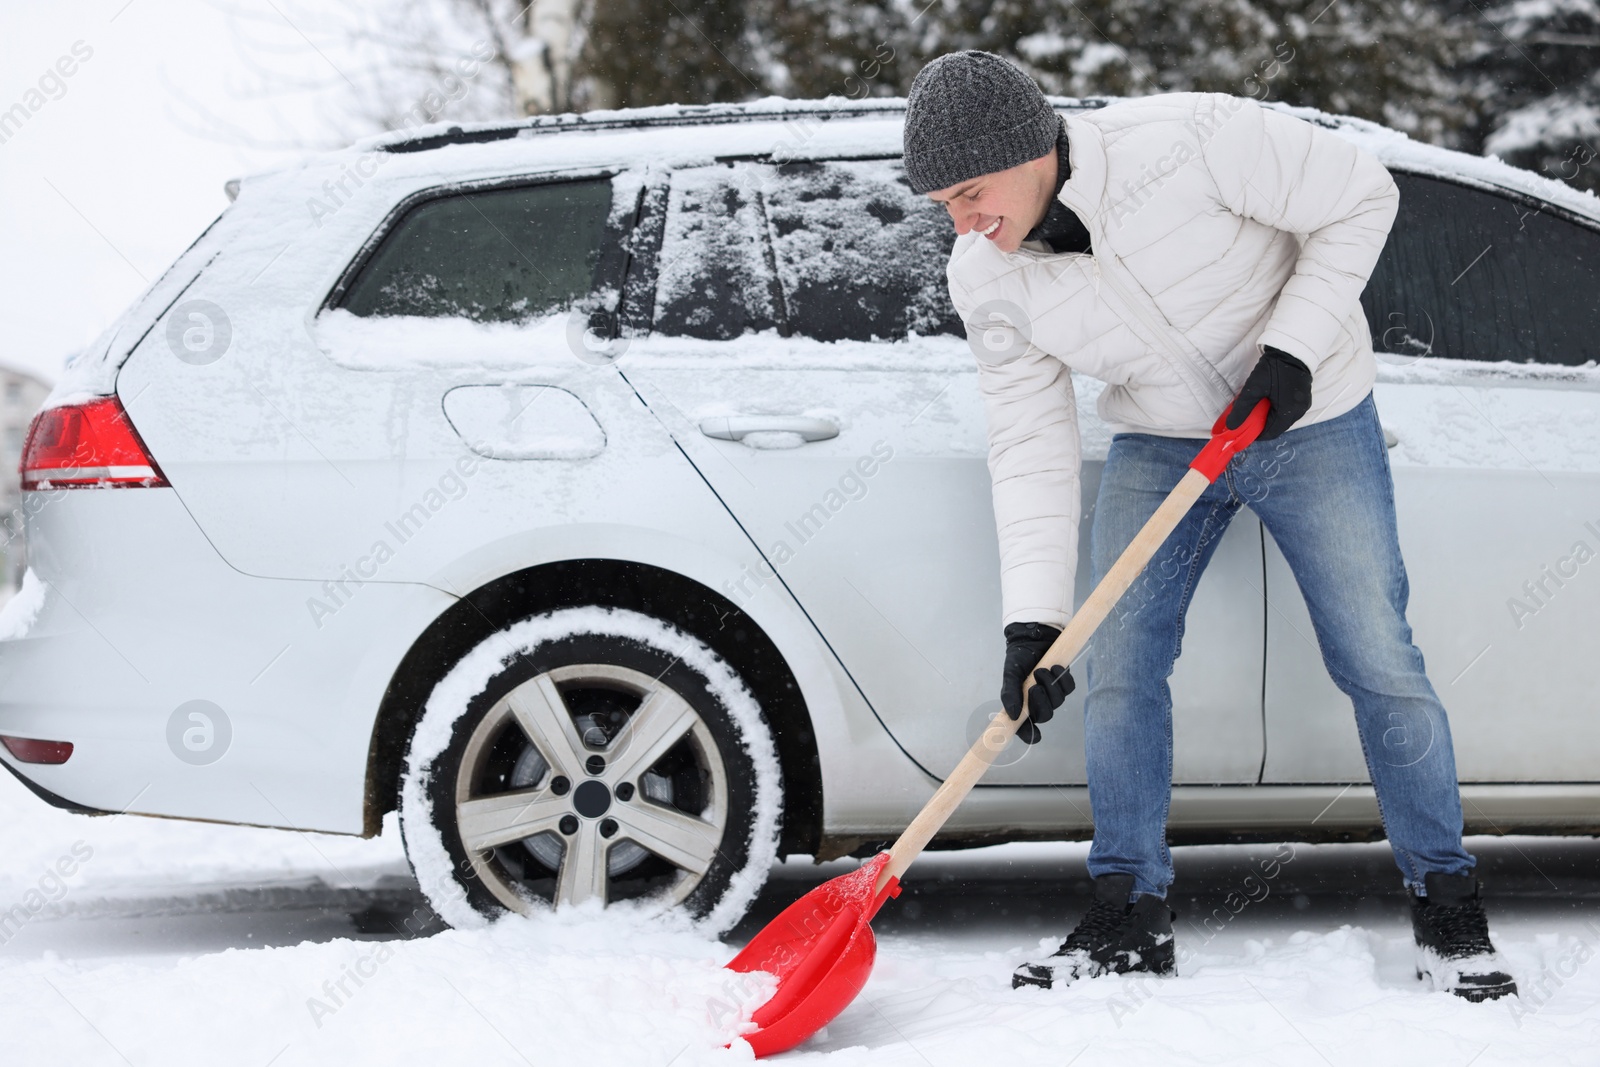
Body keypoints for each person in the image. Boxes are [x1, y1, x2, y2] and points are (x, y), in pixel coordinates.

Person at [901, 50, 1517, 1002]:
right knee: (1119, 666)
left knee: (1376, 654)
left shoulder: (1191, 139)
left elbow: (1362, 194)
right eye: (942, 203)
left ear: (1034, 149)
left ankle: (1447, 901)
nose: (964, 223)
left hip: (1308, 416)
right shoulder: (985, 277)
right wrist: (1033, 620)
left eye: (972, 192)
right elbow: (1029, 442)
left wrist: (1294, 350)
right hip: (1161, 436)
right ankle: (1128, 911)